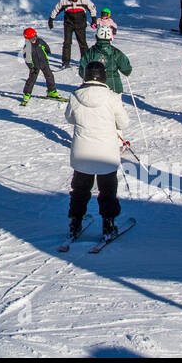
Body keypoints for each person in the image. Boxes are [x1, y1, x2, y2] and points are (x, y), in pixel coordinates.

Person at [64, 60, 129, 241]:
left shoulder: (75, 95)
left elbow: (69, 118)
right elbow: (124, 122)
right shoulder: (111, 97)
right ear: (104, 77)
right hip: (106, 154)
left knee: (79, 190)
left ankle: (74, 224)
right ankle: (108, 225)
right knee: (107, 191)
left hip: (82, 152)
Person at [47, 0, 96, 67]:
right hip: (68, 24)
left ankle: (85, 60)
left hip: (80, 23)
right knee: (67, 43)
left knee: (82, 43)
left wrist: (93, 19)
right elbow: (56, 9)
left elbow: (92, 7)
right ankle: (66, 62)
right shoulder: (64, 0)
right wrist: (51, 19)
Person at [79, 23, 132, 94]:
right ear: (110, 38)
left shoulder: (90, 52)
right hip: (114, 88)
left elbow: (82, 72)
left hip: (94, 87)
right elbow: (127, 70)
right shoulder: (116, 52)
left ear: (96, 37)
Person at [20, 27, 60, 106]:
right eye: (31, 39)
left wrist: (48, 50)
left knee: (50, 76)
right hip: (35, 66)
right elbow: (27, 58)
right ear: (27, 39)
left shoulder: (40, 41)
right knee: (31, 80)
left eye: (35, 37)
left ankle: (51, 91)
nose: (34, 40)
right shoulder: (27, 46)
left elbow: (45, 46)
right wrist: (31, 67)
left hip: (44, 62)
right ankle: (27, 94)